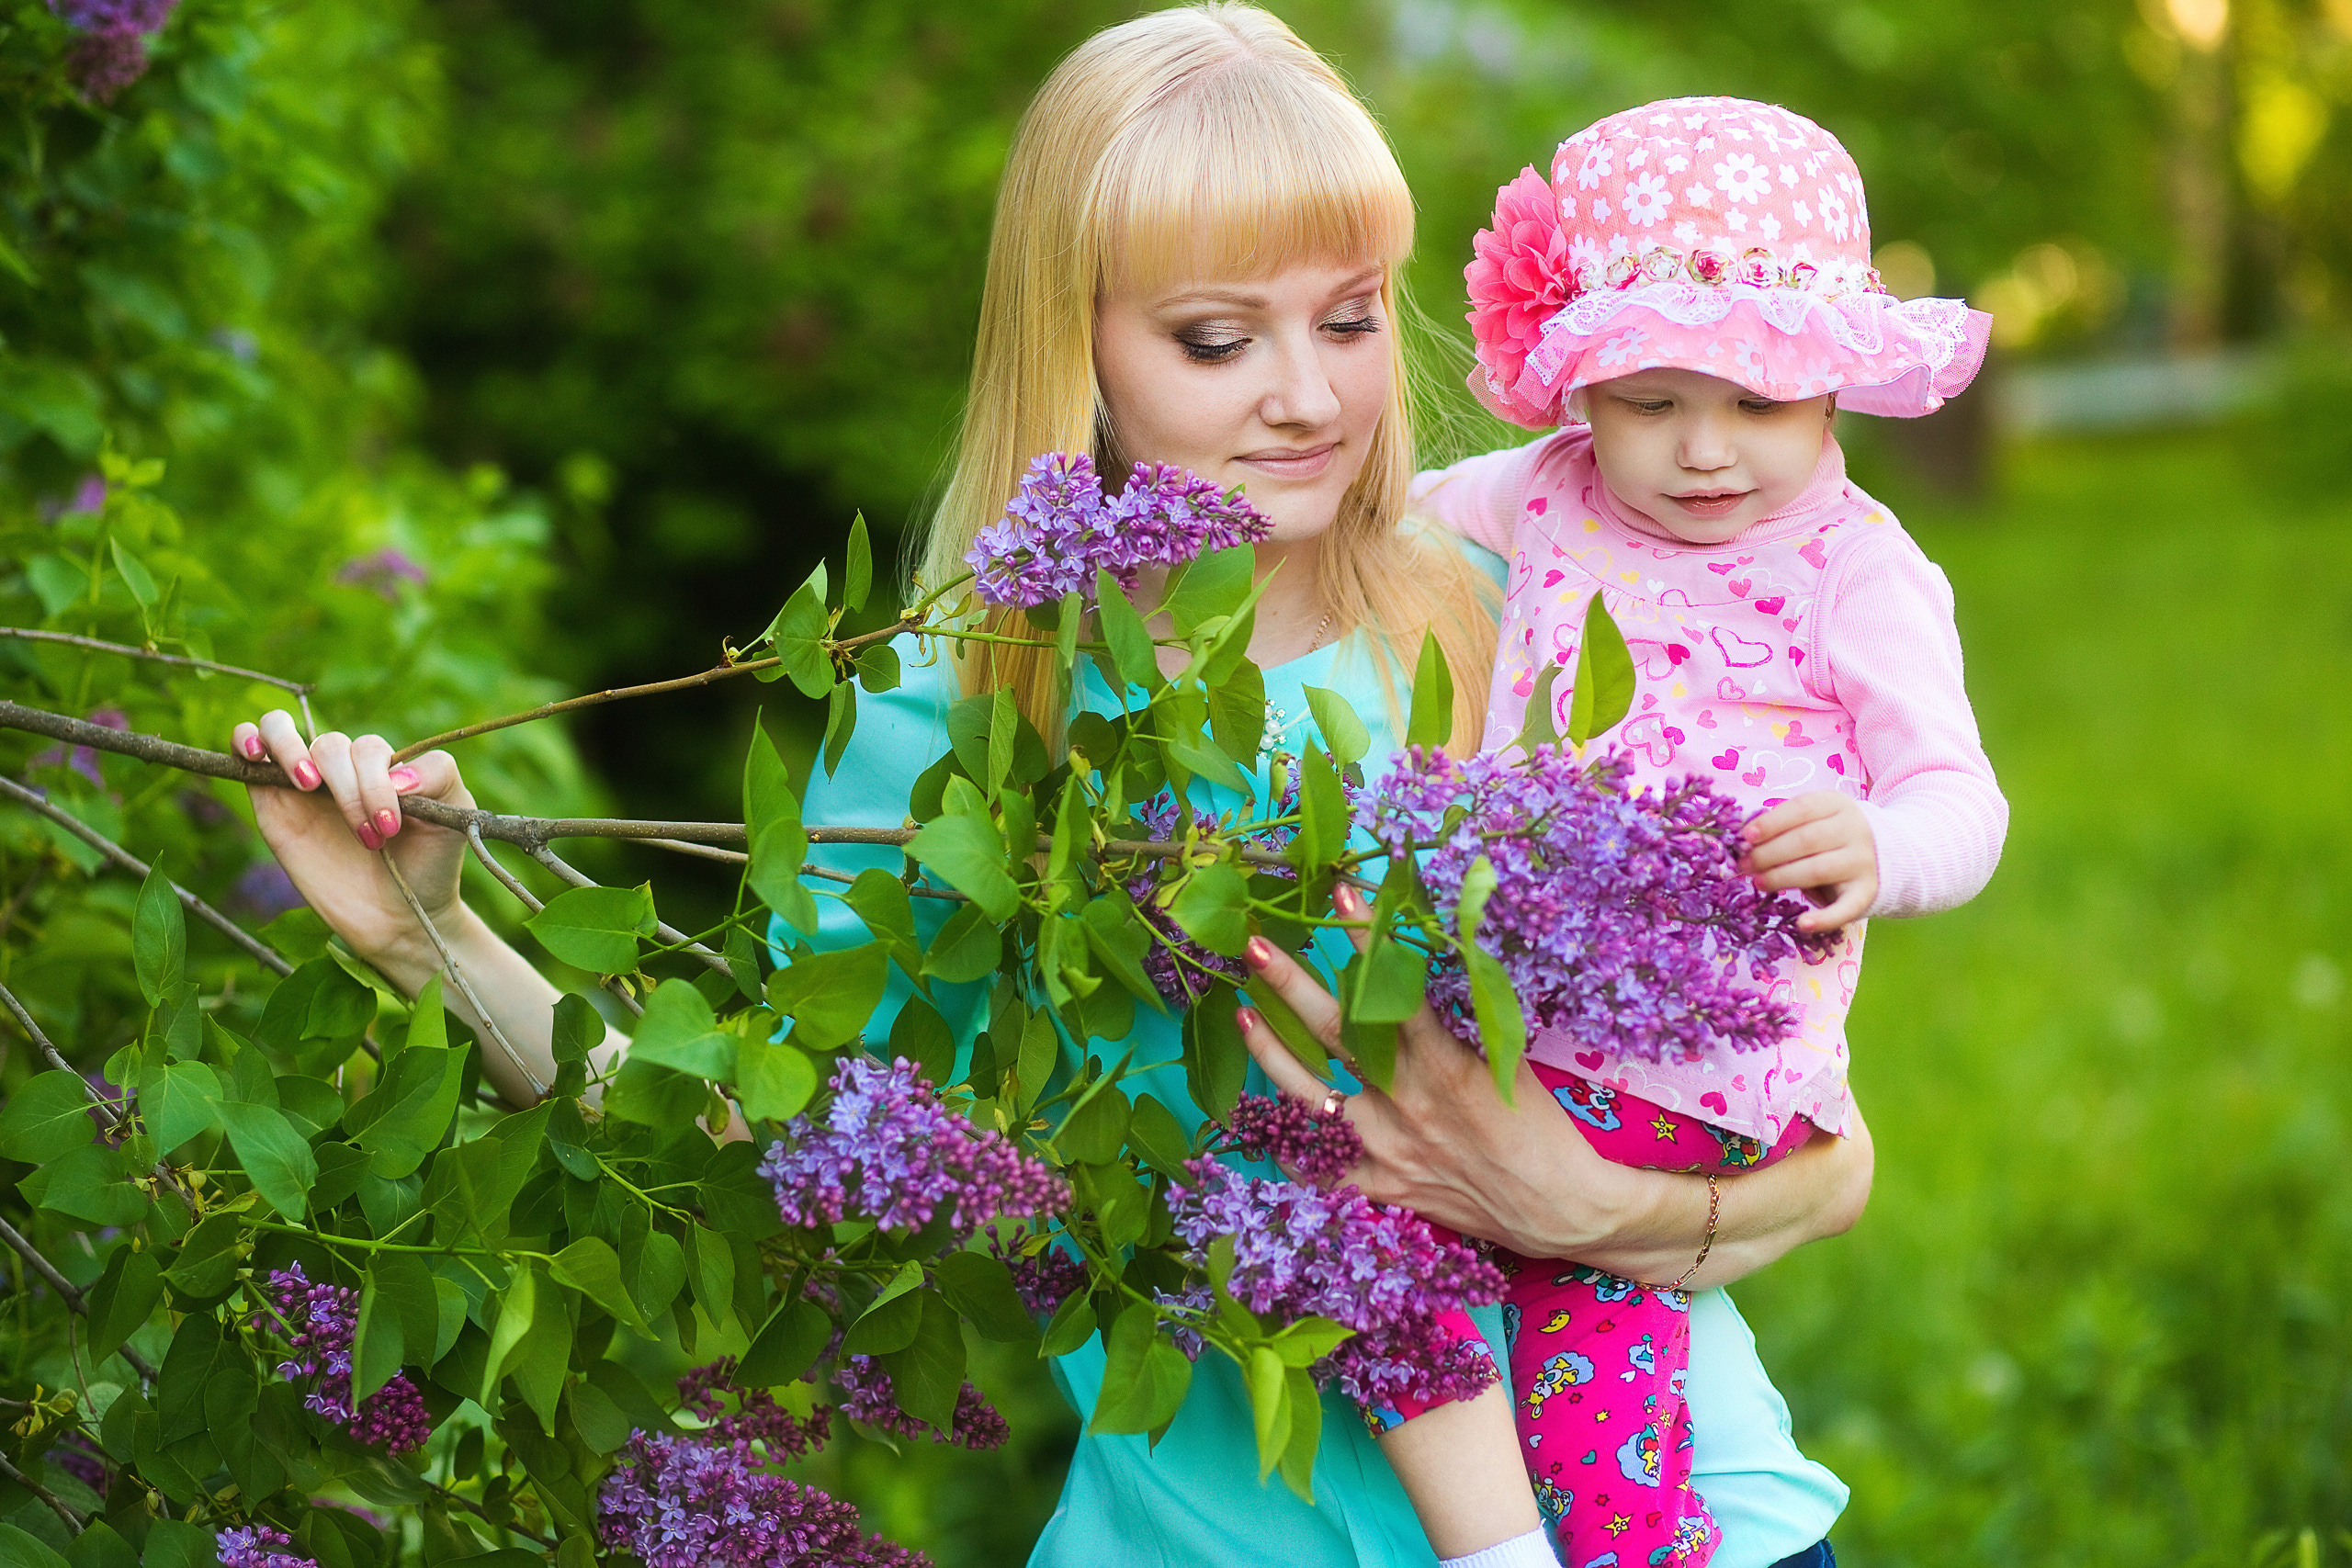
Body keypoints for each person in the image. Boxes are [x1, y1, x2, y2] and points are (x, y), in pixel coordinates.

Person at [232, 12, 1871, 1567]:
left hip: (1671, 1509)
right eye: (1218, 337)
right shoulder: (949, 725)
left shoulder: (1523, 606)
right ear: (1071, 342)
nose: (1308, 394)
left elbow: (1823, 1140)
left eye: (1352, 318)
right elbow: (754, 1133)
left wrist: (1584, 1203)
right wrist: (427, 938)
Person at [1285, 97, 2004, 1568]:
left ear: (1832, 392)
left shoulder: (1855, 572)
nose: (1703, 449)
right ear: (1583, 395)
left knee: (1580, 1348)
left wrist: (1879, 843)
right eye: (1654, 399)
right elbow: (1388, 521)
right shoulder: (1548, 497)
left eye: (1759, 402)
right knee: (1354, 1221)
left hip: (1700, 1046)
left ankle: (1631, 1546)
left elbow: (1962, 801)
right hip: (1514, 998)